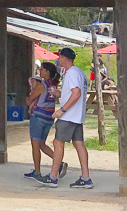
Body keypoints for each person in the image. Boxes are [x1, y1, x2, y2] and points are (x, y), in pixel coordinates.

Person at [36, 48, 92, 189]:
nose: (58, 59)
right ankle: (86, 177)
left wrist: (62, 110)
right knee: (79, 144)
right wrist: (59, 94)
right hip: (77, 116)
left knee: (57, 143)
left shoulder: (71, 73)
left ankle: (53, 176)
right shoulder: (78, 73)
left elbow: (76, 93)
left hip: (68, 116)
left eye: (59, 56)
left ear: (64, 58)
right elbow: (74, 92)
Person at [24, 62, 67, 180]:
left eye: (42, 69)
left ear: (47, 72)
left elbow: (30, 99)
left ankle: (37, 172)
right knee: (42, 143)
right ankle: (59, 162)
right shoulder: (53, 85)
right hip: (49, 116)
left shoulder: (41, 85)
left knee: (35, 144)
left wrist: (30, 98)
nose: (40, 71)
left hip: (38, 116)